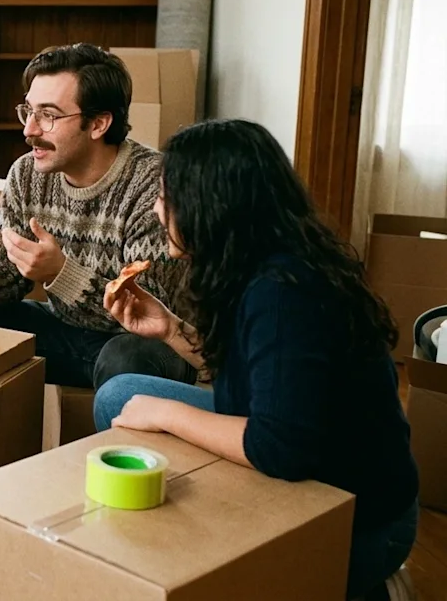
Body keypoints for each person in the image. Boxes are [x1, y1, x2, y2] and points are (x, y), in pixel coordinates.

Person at [93, 119, 419, 600]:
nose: (157, 208)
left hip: (358, 518)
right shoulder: (253, 264)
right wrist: (169, 329)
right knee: (121, 394)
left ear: (211, 205)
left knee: (144, 405)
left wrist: (167, 412)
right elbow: (251, 377)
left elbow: (279, 445)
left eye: (167, 195)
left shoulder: (283, 292)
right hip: (300, 455)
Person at [0, 43, 195, 390]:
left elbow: (145, 311)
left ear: (98, 123)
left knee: (126, 360)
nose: (29, 130)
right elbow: (6, 282)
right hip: (62, 331)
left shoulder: (154, 183)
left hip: (144, 344)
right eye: (28, 111)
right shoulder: (27, 174)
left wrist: (61, 273)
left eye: (47, 115)